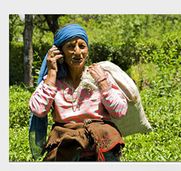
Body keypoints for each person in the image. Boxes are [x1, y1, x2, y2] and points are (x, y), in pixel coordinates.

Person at [29, 24, 128, 161]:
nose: (77, 52)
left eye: (82, 46)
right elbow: (38, 110)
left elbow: (120, 111)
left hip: (100, 143)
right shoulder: (53, 81)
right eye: (70, 46)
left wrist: (103, 83)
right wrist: (52, 72)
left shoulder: (99, 76)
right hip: (66, 143)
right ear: (60, 51)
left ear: (87, 50)